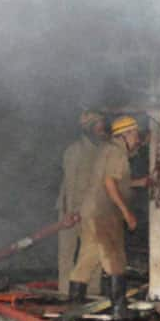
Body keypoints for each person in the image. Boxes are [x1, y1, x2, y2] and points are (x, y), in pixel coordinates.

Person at [69, 114, 147, 319]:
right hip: (104, 213)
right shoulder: (117, 153)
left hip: (90, 211)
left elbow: (113, 181)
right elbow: (110, 184)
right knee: (115, 257)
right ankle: (119, 309)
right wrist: (126, 212)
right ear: (126, 133)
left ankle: (74, 307)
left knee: (87, 257)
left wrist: (139, 182)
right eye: (135, 135)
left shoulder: (106, 149)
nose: (136, 139)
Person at [57, 110, 107, 299]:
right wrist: (69, 212)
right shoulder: (74, 151)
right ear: (89, 128)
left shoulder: (102, 150)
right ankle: (64, 293)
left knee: (94, 251)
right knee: (67, 253)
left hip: (92, 211)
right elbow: (70, 183)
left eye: (102, 123)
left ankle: (93, 292)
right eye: (99, 124)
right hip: (70, 210)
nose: (102, 128)